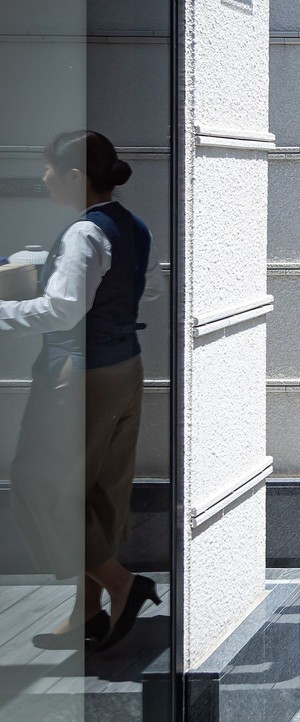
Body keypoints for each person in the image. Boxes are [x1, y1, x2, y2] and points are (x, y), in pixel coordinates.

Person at [0, 130, 161, 650]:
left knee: (41, 484)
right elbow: (148, 287)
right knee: (97, 490)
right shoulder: (131, 226)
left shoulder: (83, 234)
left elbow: (63, 309)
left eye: (50, 169)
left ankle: (120, 584)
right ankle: (87, 612)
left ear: (75, 176)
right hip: (122, 367)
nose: (44, 177)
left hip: (78, 374)